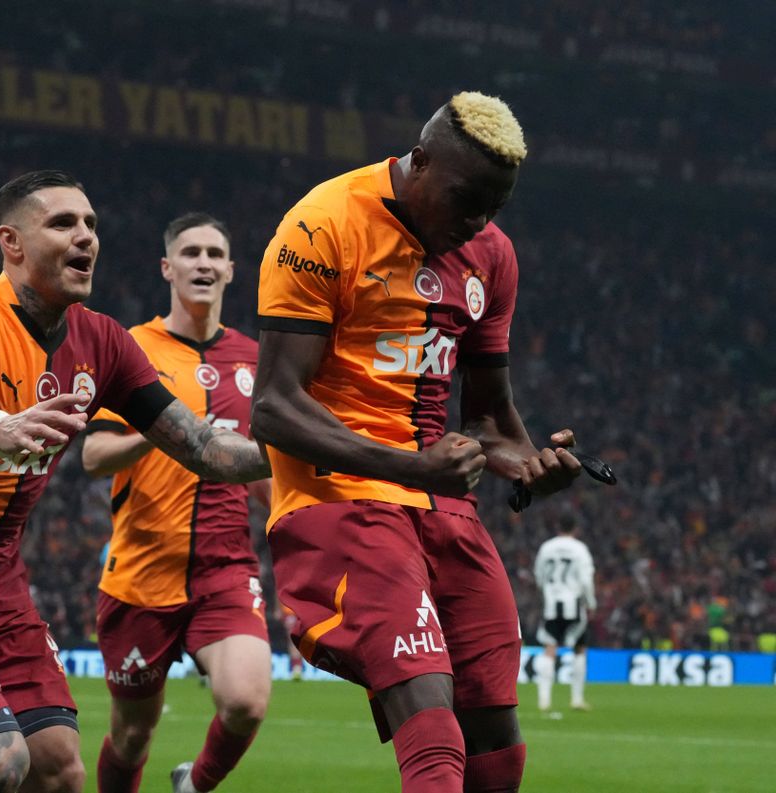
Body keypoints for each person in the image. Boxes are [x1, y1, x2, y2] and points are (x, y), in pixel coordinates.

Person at [0, 170, 269, 793]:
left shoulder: (103, 342)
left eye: (91, 224)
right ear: (12, 241)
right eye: (63, 223)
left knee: (58, 769)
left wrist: (334, 449)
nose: (85, 236)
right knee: (0, 762)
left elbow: (205, 449)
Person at [251, 91, 584, 793]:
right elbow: (276, 406)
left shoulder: (490, 253)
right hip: (336, 498)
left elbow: (489, 419)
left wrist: (533, 467)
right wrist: (410, 465)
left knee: (498, 748)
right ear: (420, 161)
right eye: (466, 200)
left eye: (494, 207)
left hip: (438, 506)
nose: (478, 222)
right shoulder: (324, 223)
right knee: (433, 732)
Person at [82, 213, 271, 793]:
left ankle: (193, 786)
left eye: (216, 253)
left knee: (245, 702)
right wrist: (167, 428)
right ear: (168, 267)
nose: (204, 263)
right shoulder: (132, 347)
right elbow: (94, 457)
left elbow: (266, 471)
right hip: (141, 576)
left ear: (232, 271)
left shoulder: (256, 358)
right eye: (191, 253)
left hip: (226, 569)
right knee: (132, 735)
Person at [533, 511, 596, 712]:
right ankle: (576, 699)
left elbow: (539, 576)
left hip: (552, 604)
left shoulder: (546, 548)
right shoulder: (580, 549)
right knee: (580, 648)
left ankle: (544, 700)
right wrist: (591, 603)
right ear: (575, 529)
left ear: (558, 527)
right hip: (574, 604)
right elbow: (586, 580)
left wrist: (545, 596)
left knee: (549, 648)